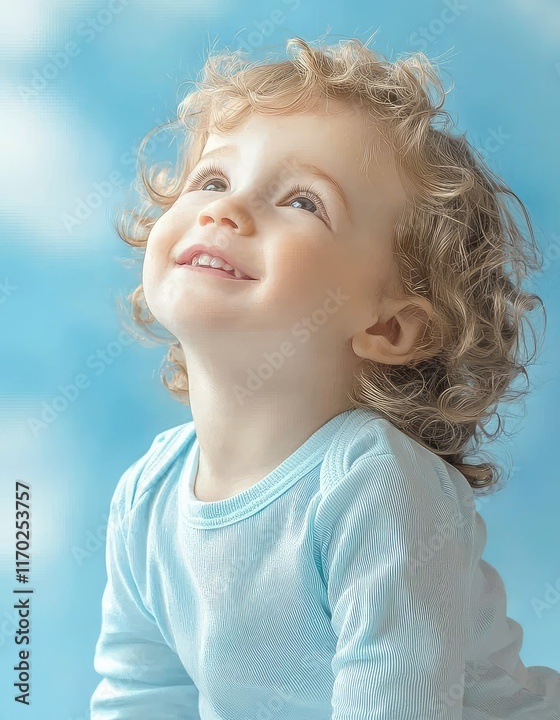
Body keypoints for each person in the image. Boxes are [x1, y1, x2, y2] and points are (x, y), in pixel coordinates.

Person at [89, 36, 560, 718]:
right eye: (213, 180)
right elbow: (141, 697)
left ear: (390, 326)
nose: (224, 209)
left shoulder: (373, 483)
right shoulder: (146, 497)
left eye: (303, 202)